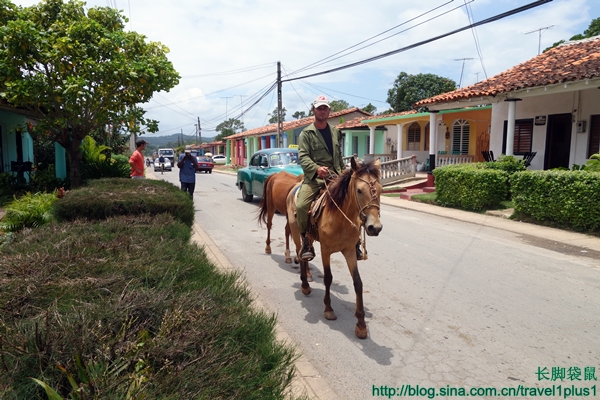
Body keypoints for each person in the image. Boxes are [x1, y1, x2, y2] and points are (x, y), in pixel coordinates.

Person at [296, 95, 363, 261]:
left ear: (329, 111)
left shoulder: (335, 132)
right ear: (314, 110)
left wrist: (343, 175)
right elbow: (303, 157)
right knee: (301, 206)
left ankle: (356, 242)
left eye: (325, 108)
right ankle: (306, 242)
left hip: (335, 177)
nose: (322, 110)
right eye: (319, 108)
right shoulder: (306, 134)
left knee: (357, 201)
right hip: (314, 179)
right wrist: (317, 169)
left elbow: (338, 157)